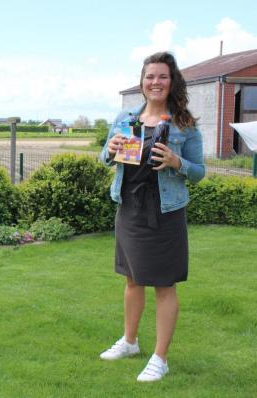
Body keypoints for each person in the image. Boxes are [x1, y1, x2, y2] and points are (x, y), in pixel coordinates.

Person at [98, 52, 205, 382]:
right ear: (142, 82)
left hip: (165, 212)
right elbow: (105, 157)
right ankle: (130, 341)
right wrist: (111, 150)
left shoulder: (183, 124)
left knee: (164, 284)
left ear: (172, 82)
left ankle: (160, 357)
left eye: (162, 76)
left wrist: (177, 162)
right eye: (150, 76)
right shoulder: (127, 118)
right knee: (131, 279)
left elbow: (199, 172)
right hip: (129, 208)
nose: (155, 82)